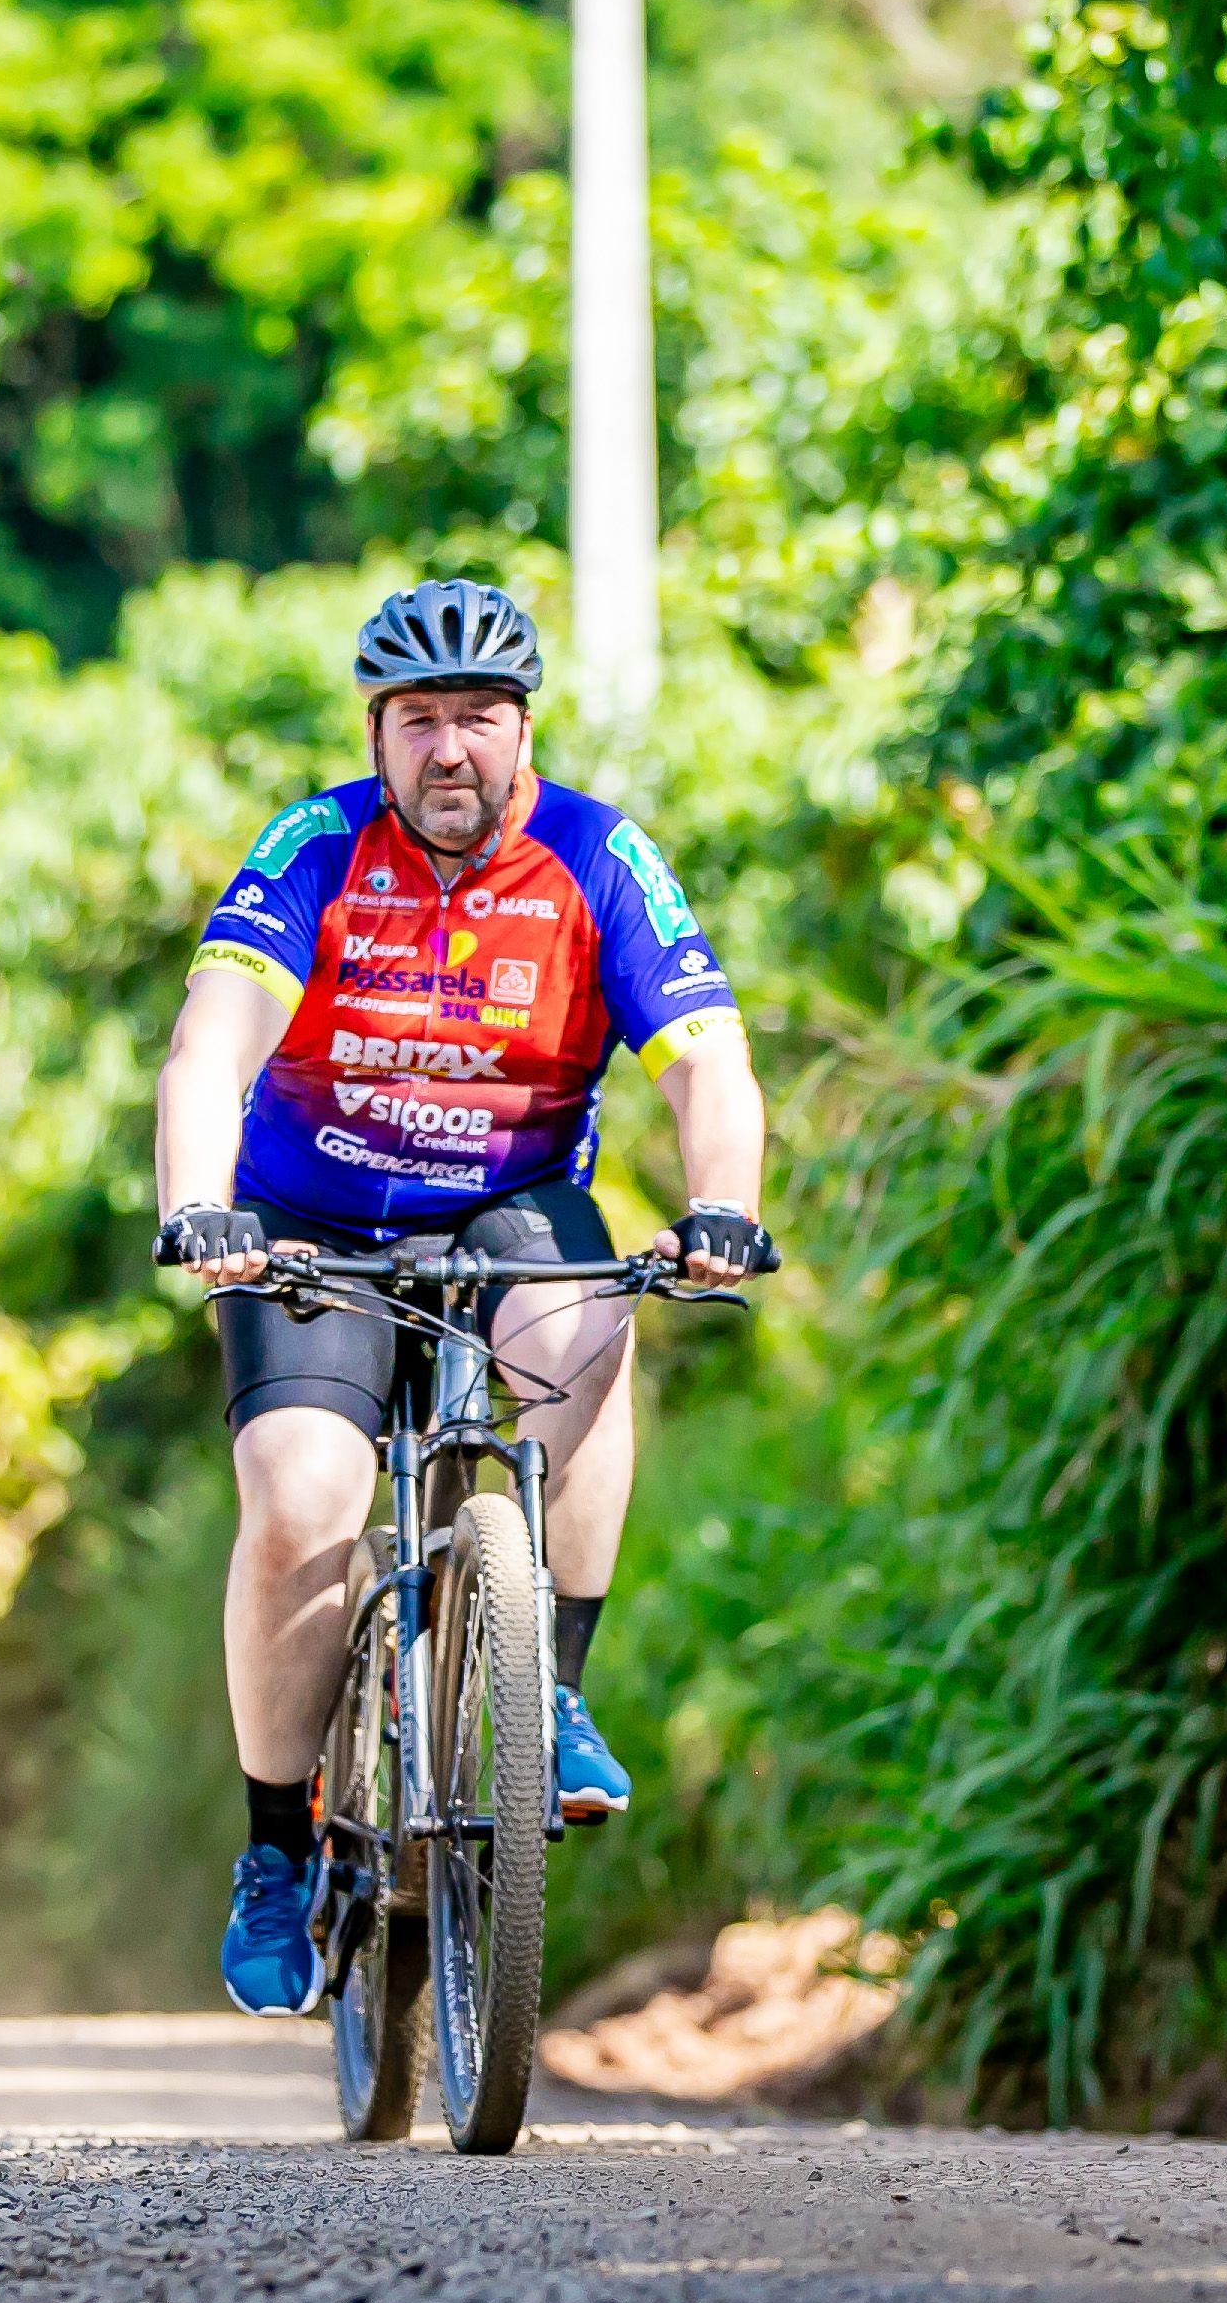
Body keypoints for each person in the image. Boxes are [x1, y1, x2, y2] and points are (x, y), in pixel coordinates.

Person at [152, 578, 778, 2016]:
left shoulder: (597, 856)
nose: (450, 749)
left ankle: (548, 1690)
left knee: (586, 1327)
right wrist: (195, 1201)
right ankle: (274, 1853)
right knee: (302, 1498)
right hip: (311, 1216)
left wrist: (727, 1209)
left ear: (524, 729)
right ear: (377, 735)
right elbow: (210, 1044)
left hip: (513, 1196)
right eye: (419, 718)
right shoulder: (316, 848)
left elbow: (706, 1058)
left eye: (480, 717)